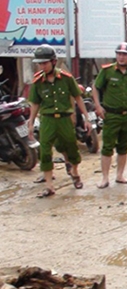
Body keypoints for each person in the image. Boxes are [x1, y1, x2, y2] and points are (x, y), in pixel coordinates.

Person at [26, 44, 92, 198]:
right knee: (45, 151)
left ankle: (74, 173)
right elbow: (35, 103)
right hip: (47, 119)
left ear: (53, 62)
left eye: (45, 63)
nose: (42, 66)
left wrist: (86, 118)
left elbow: (77, 97)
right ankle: (49, 185)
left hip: (64, 119)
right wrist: (30, 122)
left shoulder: (66, 79)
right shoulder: (37, 81)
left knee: (71, 147)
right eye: (40, 63)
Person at [92, 42, 127, 189]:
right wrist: (98, 106)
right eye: (119, 54)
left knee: (123, 147)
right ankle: (105, 178)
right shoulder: (107, 71)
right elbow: (96, 87)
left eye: (125, 55)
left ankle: (120, 175)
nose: (121, 57)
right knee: (107, 147)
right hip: (111, 115)